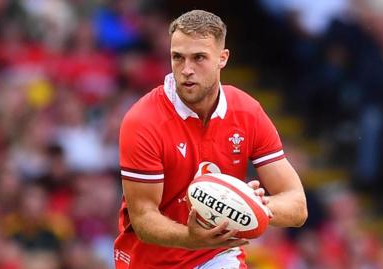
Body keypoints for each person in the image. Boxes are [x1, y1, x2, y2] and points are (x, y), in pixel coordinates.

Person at [114, 10, 307, 269]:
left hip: (217, 257)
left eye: (199, 58)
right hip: (148, 261)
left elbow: (297, 205)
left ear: (222, 58)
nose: (187, 70)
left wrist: (251, 205)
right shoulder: (143, 120)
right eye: (178, 58)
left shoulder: (247, 111)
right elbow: (143, 218)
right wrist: (190, 238)